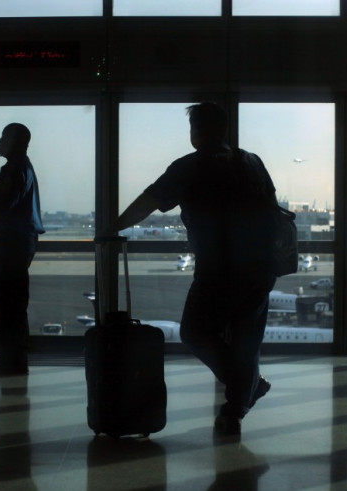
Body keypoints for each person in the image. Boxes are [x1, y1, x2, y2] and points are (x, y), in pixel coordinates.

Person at [110, 103, 277, 435]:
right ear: (225, 130)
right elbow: (271, 210)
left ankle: (247, 389)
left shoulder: (189, 167)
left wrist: (113, 227)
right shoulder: (252, 163)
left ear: (196, 133)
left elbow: (148, 201)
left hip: (218, 269)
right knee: (246, 340)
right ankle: (235, 407)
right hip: (260, 268)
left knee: (195, 332)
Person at [0, 123, 45, 376]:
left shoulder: (15, 170)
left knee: (4, 301)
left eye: (4, 138)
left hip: (12, 242)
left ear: (17, 142)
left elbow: (1, 207)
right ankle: (13, 357)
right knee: (12, 302)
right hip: (18, 242)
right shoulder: (22, 168)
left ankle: (12, 359)